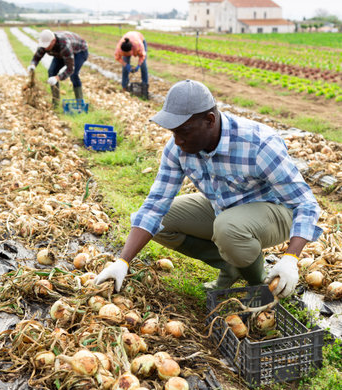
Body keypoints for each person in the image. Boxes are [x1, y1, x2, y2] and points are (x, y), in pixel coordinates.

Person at [94, 79, 322, 298]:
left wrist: (291, 257)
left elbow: (304, 203)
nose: (177, 141)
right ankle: (232, 267)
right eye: (173, 132)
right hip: (224, 209)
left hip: (276, 213)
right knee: (157, 221)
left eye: (184, 131)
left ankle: (257, 285)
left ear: (210, 120)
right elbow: (155, 204)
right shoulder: (178, 148)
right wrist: (122, 262)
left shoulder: (258, 144)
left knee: (228, 228)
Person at [28, 29, 88, 106]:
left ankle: (80, 103)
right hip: (60, 53)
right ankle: (55, 102)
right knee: (52, 71)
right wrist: (33, 65)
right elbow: (37, 57)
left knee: (74, 74)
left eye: (47, 46)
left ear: (53, 41)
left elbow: (70, 69)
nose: (45, 48)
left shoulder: (64, 44)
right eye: (44, 46)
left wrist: (57, 78)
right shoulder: (44, 44)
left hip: (79, 51)